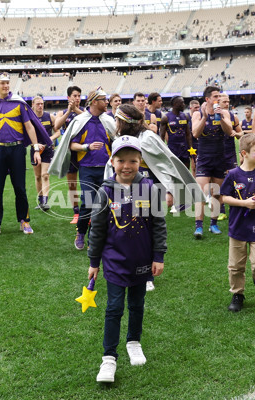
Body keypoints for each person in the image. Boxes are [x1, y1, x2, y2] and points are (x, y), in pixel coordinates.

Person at [88, 135, 166, 383]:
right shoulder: (105, 191)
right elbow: (97, 229)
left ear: (140, 161)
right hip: (113, 260)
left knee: (136, 304)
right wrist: (93, 262)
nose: (127, 166)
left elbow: (158, 225)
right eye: (121, 160)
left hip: (141, 260)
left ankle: (134, 341)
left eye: (132, 160)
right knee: (113, 308)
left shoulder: (150, 189)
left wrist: (159, 256)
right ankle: (108, 359)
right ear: (112, 162)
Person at [111, 104, 202, 290]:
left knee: (144, 233)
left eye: (117, 120)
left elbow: (165, 163)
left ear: (125, 122)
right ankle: (128, 269)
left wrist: (170, 190)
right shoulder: (122, 139)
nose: (115, 124)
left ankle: (146, 274)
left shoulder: (148, 138)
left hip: (147, 190)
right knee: (125, 231)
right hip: (124, 190)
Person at [0, 72, 51, 237]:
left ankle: (24, 220)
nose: (6, 86)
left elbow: (30, 126)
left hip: (17, 149)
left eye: (8, 83)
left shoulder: (18, 102)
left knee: (20, 188)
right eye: (2, 83)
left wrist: (36, 149)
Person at [48, 87, 117, 250]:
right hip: (87, 168)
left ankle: (95, 236)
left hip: (107, 169)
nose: (107, 102)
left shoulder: (108, 120)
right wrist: (87, 147)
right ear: (94, 102)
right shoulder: (80, 121)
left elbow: (116, 141)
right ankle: (81, 232)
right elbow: (71, 144)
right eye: (104, 99)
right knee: (88, 202)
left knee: (104, 204)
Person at [220, 134, 255, 312]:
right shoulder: (233, 175)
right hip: (238, 227)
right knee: (236, 265)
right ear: (244, 153)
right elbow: (224, 198)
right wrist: (244, 203)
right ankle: (238, 294)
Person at [192, 86, 235, 238]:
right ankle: (198, 227)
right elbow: (195, 133)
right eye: (215, 96)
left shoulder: (224, 113)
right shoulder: (197, 114)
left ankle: (213, 224)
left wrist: (221, 117)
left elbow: (229, 131)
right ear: (208, 99)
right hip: (204, 159)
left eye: (219, 96)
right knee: (201, 193)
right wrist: (204, 117)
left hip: (220, 158)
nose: (218, 98)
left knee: (216, 194)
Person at [54, 86, 84, 224]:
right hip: (69, 154)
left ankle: (88, 211)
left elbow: (86, 119)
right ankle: (76, 212)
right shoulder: (62, 112)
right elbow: (57, 126)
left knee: (87, 183)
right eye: (74, 96)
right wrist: (69, 112)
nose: (77, 98)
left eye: (79, 96)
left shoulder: (85, 112)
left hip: (83, 152)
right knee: (72, 184)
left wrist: (75, 110)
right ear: (68, 98)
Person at [31, 96, 59, 211]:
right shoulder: (30, 119)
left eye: (42, 103)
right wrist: (36, 145)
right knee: (37, 177)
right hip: (35, 150)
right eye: (38, 104)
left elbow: (57, 132)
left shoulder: (50, 116)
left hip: (47, 149)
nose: (40, 106)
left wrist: (50, 139)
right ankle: (40, 200)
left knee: (45, 175)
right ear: (33, 105)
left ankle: (45, 202)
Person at [159, 96, 192, 170]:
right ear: (175, 104)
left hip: (184, 150)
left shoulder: (185, 116)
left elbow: (188, 134)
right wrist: (162, 150)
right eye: (182, 102)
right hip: (172, 150)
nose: (184, 104)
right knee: (174, 172)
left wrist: (190, 148)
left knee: (186, 172)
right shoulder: (166, 118)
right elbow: (162, 136)